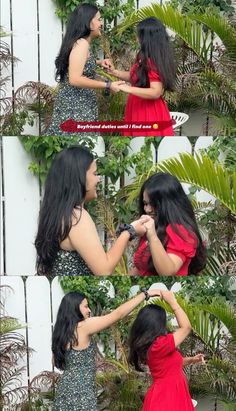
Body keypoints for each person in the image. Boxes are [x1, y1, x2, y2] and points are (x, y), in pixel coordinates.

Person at [35, 145, 147, 276]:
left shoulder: (59, 215)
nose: (98, 179)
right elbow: (103, 269)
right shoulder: (76, 217)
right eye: (94, 174)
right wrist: (130, 231)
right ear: (79, 177)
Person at [51, 287, 162, 410]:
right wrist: (145, 294)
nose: (89, 310)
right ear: (74, 308)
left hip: (64, 391)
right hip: (81, 393)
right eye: (85, 306)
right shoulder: (84, 326)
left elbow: (55, 362)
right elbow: (117, 314)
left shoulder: (61, 334)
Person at [46, 3, 123, 136]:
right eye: (98, 19)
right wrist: (108, 85)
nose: (101, 23)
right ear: (88, 22)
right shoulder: (81, 44)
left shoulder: (80, 43)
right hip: (76, 110)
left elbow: (79, 65)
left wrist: (98, 62)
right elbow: (75, 79)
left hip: (76, 108)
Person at [129, 290, 205, 411]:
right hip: (167, 397)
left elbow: (168, 366)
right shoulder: (159, 345)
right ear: (157, 324)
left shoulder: (153, 346)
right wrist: (173, 302)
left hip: (169, 393)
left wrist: (191, 360)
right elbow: (186, 328)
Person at [104, 17, 176, 136]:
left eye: (139, 35)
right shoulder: (144, 56)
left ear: (148, 38)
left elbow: (156, 92)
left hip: (148, 112)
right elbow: (136, 77)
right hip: (137, 107)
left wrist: (127, 88)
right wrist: (114, 72)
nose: (137, 38)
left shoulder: (152, 61)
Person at [130, 172, 206, 276]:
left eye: (153, 204)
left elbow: (167, 272)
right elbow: (140, 268)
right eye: (145, 203)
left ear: (169, 204)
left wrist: (152, 236)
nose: (147, 209)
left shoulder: (181, 231)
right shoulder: (155, 226)